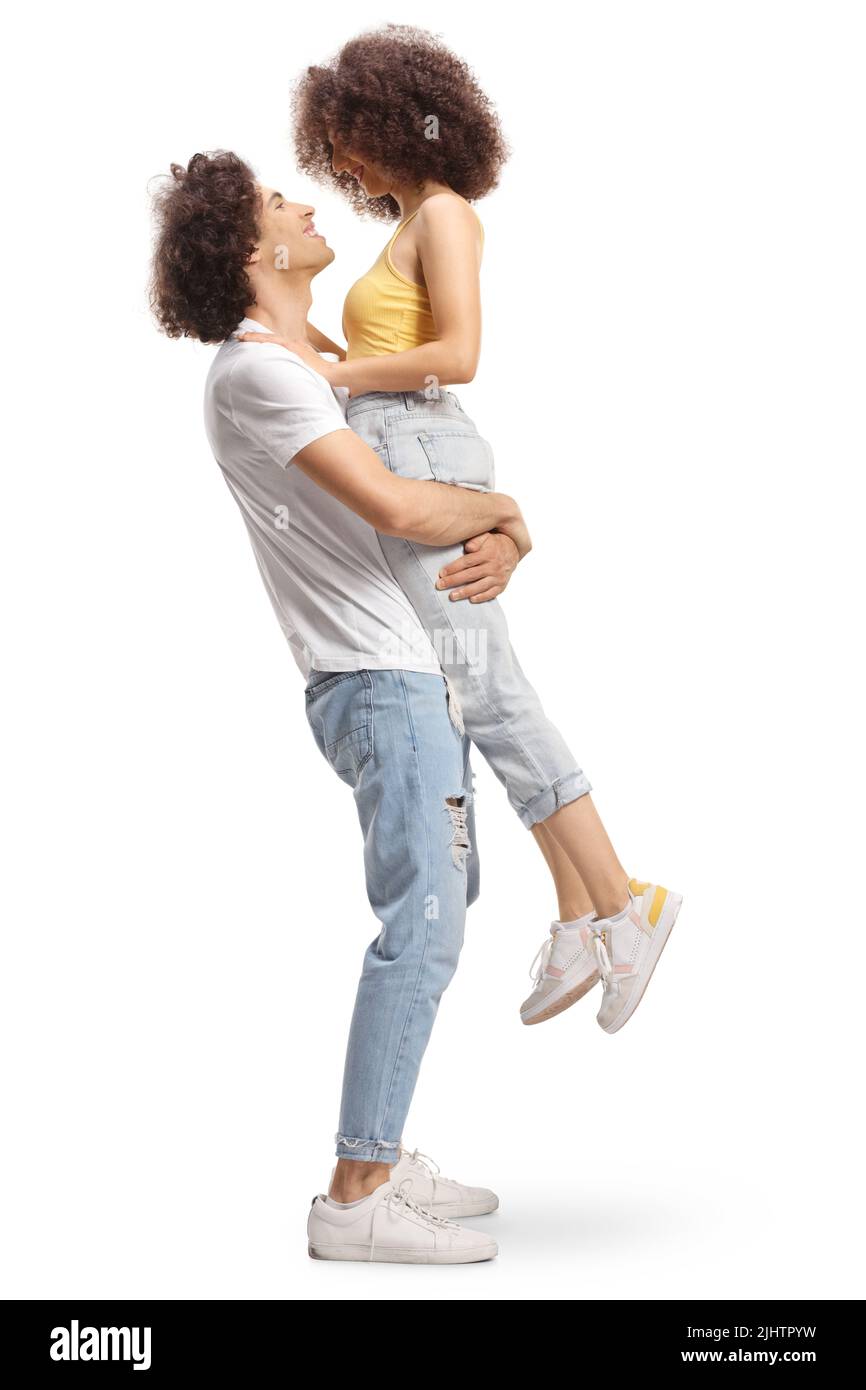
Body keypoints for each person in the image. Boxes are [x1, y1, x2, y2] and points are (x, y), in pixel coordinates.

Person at [238, 24, 683, 1031]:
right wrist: (287, 332)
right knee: (471, 689)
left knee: (487, 690)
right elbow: (325, 345)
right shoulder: (402, 224)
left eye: (348, 135)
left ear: (389, 121)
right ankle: (577, 915)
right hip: (405, 444)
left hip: (423, 445)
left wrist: (337, 374)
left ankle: (624, 901)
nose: (340, 161)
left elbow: (461, 352)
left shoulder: (443, 214)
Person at [150, 150, 535, 1264]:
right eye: (282, 203)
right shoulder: (260, 374)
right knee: (422, 921)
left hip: (404, 666)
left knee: (444, 894)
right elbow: (390, 501)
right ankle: (356, 1193)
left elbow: (409, 505)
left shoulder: (296, 359)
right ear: (251, 249)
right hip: (379, 676)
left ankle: (384, 1145)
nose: (309, 205)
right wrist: (507, 509)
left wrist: (495, 537)